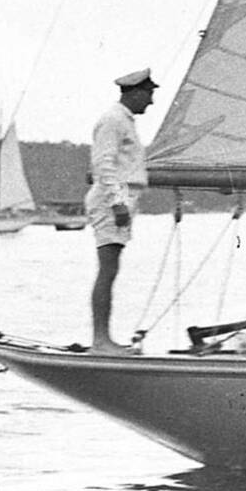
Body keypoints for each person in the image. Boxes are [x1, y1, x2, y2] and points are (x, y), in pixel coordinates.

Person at [86, 68, 158, 353]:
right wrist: (117, 202)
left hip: (120, 197)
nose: (150, 102)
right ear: (136, 92)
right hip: (111, 200)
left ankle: (103, 339)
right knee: (107, 270)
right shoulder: (114, 119)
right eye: (149, 95)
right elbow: (103, 163)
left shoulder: (123, 121)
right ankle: (101, 340)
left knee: (111, 270)